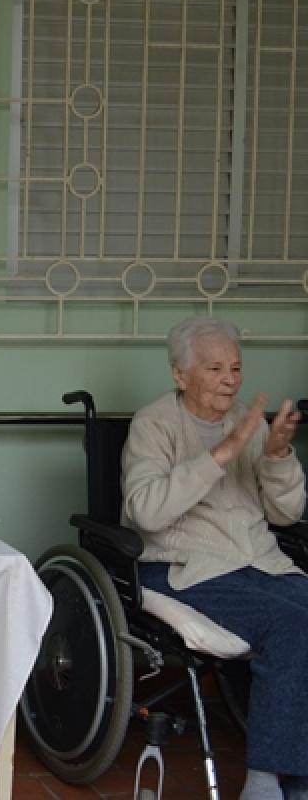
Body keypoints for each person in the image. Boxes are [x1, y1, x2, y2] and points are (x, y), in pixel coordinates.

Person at [123, 316, 306, 800]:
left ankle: (300, 776)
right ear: (180, 375)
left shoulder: (247, 421)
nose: (230, 378)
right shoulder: (154, 424)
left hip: (260, 563)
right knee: (291, 624)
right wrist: (220, 455)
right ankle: (267, 779)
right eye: (214, 368)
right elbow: (145, 511)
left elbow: (286, 515)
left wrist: (278, 455)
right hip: (189, 567)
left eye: (236, 367)